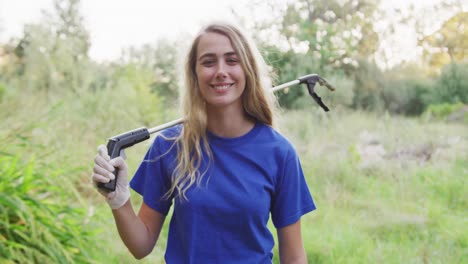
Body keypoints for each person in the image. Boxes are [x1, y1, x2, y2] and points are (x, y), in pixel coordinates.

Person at [91, 21, 316, 263]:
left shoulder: (279, 153)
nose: (220, 71)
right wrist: (119, 200)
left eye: (232, 60)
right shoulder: (168, 145)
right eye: (208, 62)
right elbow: (141, 245)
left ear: (247, 69)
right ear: (194, 74)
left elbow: (293, 257)